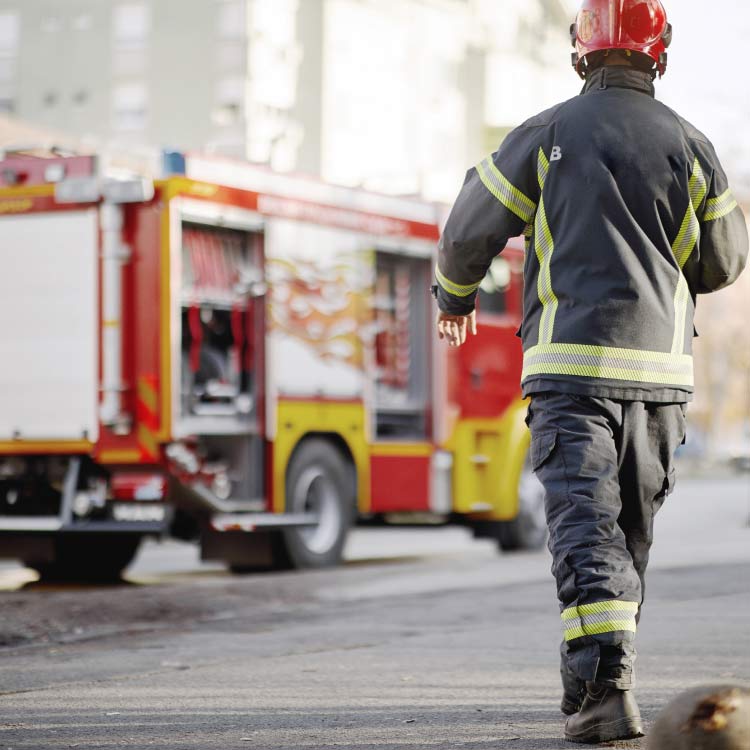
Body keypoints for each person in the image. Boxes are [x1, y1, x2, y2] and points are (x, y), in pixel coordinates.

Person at [433, 0, 748, 744]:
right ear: (658, 52)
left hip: (570, 370)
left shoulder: (546, 136)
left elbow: (468, 227)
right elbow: (725, 261)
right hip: (661, 380)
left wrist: (456, 294)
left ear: (582, 52)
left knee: (585, 531)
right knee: (624, 538)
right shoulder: (692, 146)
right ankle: (590, 685)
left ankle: (604, 691)